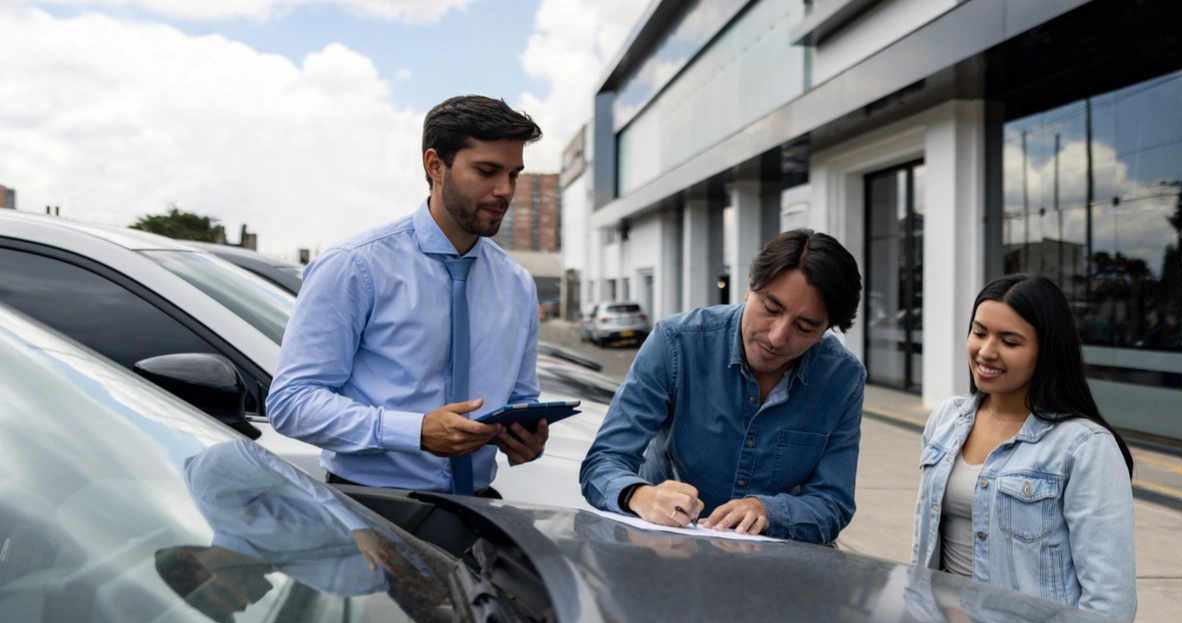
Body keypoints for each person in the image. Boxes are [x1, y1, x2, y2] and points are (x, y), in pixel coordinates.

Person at [267, 95, 549, 495]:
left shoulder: (517, 284)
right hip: (372, 508)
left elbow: (521, 399)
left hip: (479, 510)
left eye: (514, 175)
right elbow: (291, 402)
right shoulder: (355, 266)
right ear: (435, 166)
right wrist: (414, 431)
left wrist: (527, 440)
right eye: (487, 171)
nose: (505, 190)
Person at [579, 229, 866, 544]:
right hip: (665, 554)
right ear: (748, 288)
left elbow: (832, 503)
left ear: (826, 328)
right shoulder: (675, 344)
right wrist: (639, 495)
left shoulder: (843, 379)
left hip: (774, 571)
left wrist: (769, 512)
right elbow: (603, 462)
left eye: (804, 327)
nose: (777, 337)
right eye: (770, 309)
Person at [910, 274, 1137, 621]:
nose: (986, 351)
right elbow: (923, 548)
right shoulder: (945, 420)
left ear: (1046, 352)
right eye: (979, 332)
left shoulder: (1084, 448)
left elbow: (1110, 602)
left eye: (1010, 342)